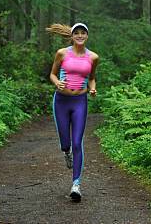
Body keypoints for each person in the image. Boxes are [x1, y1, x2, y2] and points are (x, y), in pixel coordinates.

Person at [47, 22, 99, 202]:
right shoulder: (62, 53)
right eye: (76, 32)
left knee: (78, 142)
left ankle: (76, 184)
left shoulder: (93, 57)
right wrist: (56, 83)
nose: (79, 35)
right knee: (66, 142)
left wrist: (92, 89)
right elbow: (52, 74)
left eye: (82, 32)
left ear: (87, 35)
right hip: (61, 101)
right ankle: (65, 151)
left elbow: (92, 79)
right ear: (71, 35)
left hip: (79, 102)